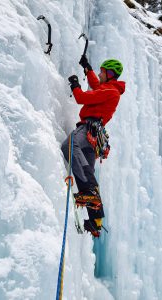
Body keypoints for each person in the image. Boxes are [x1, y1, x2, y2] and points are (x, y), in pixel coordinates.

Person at [61, 56, 125, 237]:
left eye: (102, 71)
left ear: (110, 74)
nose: (99, 73)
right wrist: (87, 68)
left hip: (89, 128)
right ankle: (95, 221)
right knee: (86, 169)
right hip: (95, 139)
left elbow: (81, 98)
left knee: (70, 147)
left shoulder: (111, 91)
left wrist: (74, 83)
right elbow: (97, 86)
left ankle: (88, 191)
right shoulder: (109, 90)